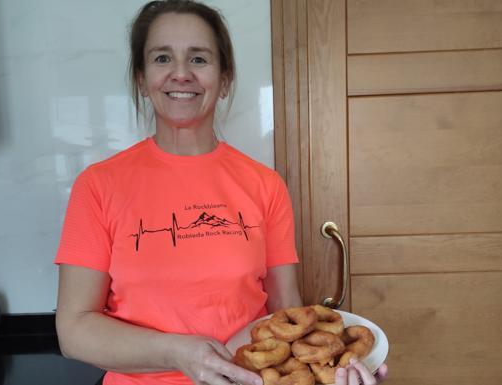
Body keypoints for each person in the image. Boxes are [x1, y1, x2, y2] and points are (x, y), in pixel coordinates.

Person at [54, 1, 388, 384]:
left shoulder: (264, 185)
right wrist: (176, 352)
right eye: (162, 58)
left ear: (225, 79)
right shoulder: (98, 185)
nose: (181, 74)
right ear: (142, 79)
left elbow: (288, 315)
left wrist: (333, 371)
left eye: (199, 59)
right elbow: (73, 331)